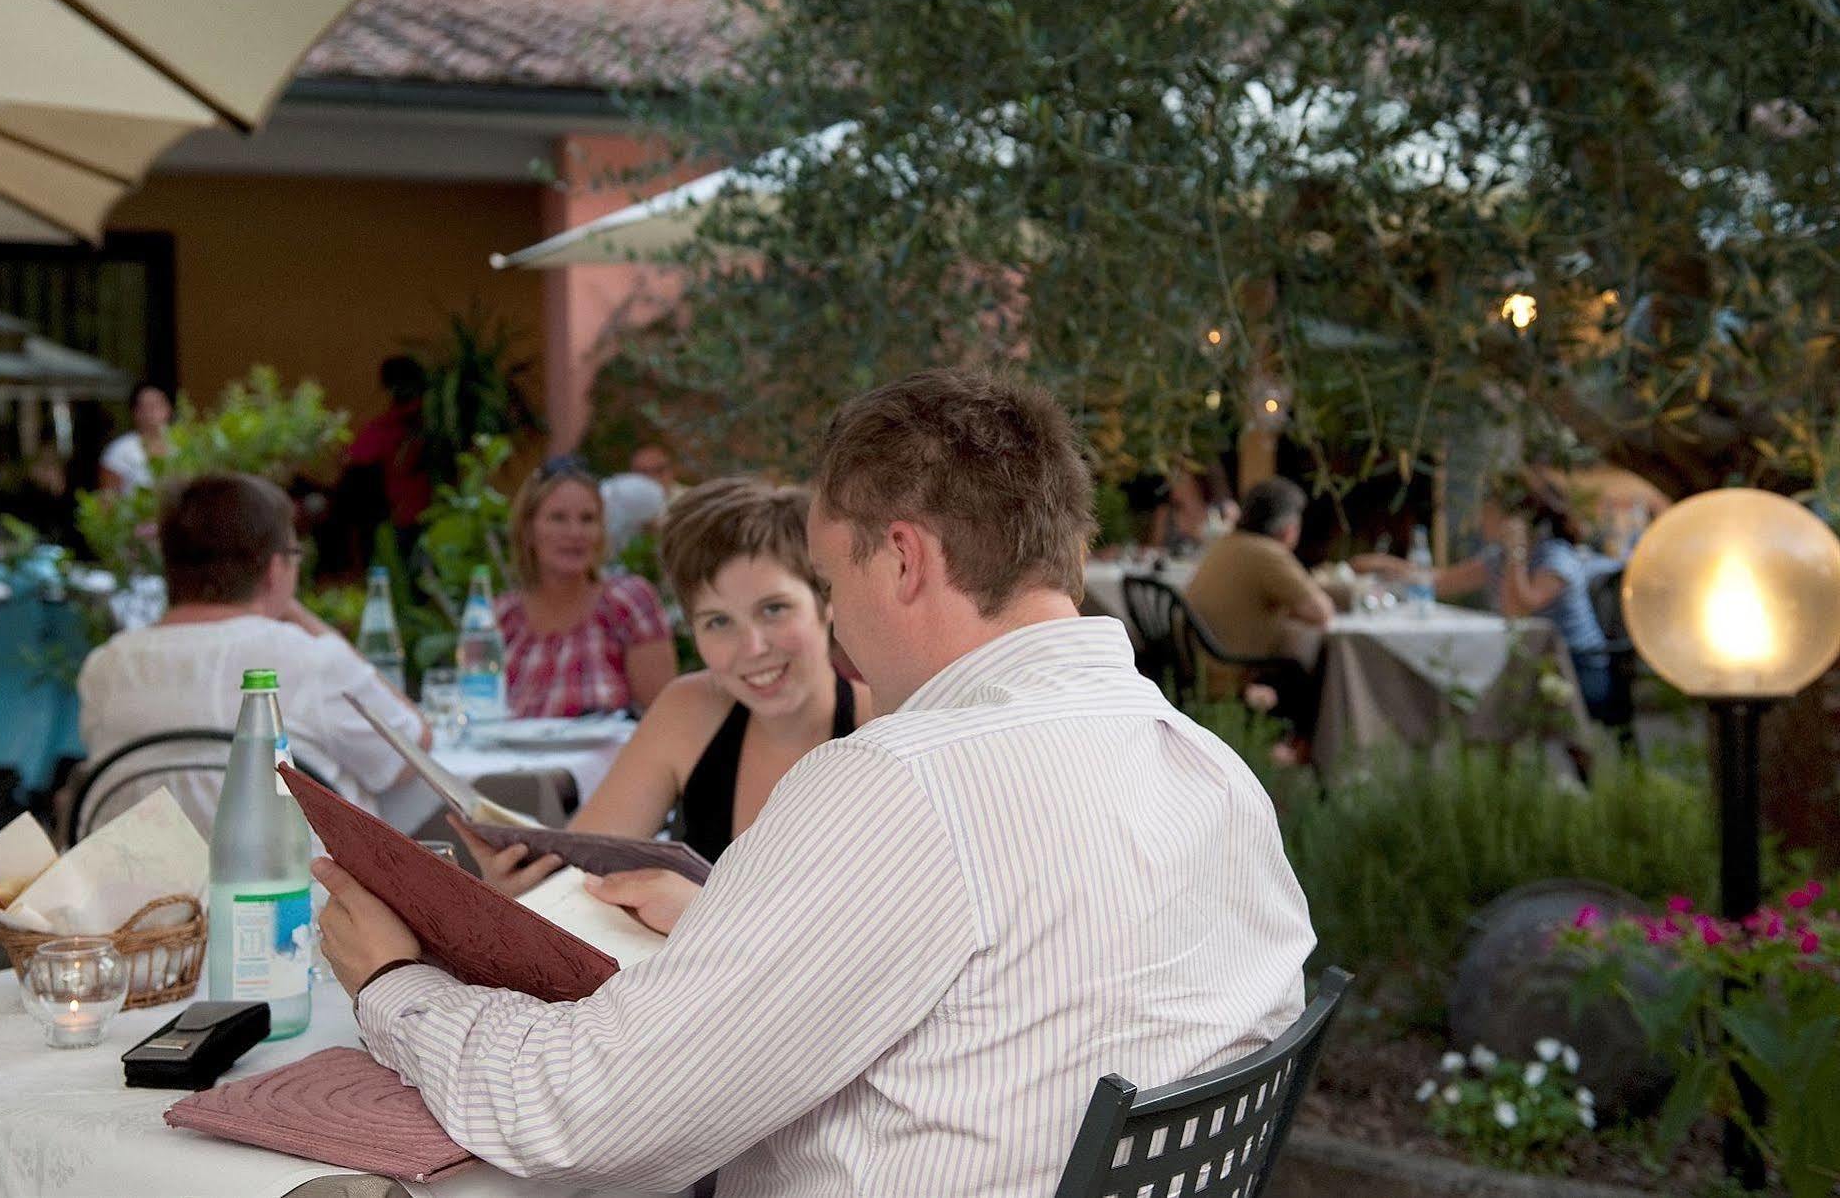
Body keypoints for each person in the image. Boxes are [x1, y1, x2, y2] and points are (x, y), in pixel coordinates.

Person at [316, 369, 1314, 1195]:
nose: (836, 624)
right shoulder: (1216, 774)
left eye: (833, 582)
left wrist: (395, 986)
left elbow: (586, 1115)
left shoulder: (903, 783)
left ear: (905, 559)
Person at [454, 476, 872, 933]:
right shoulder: (692, 709)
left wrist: (705, 912)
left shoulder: (883, 724)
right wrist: (524, 885)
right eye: (718, 622)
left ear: (825, 602)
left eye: (774, 609)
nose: (752, 647)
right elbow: (580, 867)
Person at [77, 473, 425, 818]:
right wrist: (298, 614)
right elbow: (411, 753)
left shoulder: (105, 668)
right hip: (296, 874)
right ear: (275, 569)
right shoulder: (307, 658)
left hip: (139, 874)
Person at [1354, 471, 1612, 717]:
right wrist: (1382, 564)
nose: (1481, 518)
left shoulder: (1556, 557)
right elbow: (1441, 581)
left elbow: (1517, 612)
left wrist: (1516, 553)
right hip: (1531, 663)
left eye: (1488, 510)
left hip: (1576, 667)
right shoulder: (1497, 558)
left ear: (1514, 519)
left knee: (1475, 689)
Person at [495, 458, 677, 718]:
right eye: (558, 518)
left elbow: (664, 718)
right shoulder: (501, 616)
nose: (575, 532)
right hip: (507, 759)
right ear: (528, 531)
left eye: (588, 519)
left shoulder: (627, 601)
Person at [1183, 477, 1333, 750]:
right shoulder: (1267, 554)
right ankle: (1311, 755)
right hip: (1231, 671)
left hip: (1197, 663)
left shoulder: (1227, 543)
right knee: (1313, 664)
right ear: (1289, 528)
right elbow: (1321, 612)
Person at [342, 356, 431, 546]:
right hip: (406, 517)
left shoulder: (418, 425)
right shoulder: (391, 426)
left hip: (411, 516)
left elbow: (353, 459)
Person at [98, 383, 172, 496]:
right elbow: (108, 497)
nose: (151, 412)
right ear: (135, 413)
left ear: (168, 409)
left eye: (156, 405)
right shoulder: (119, 450)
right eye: (145, 407)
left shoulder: (182, 444)